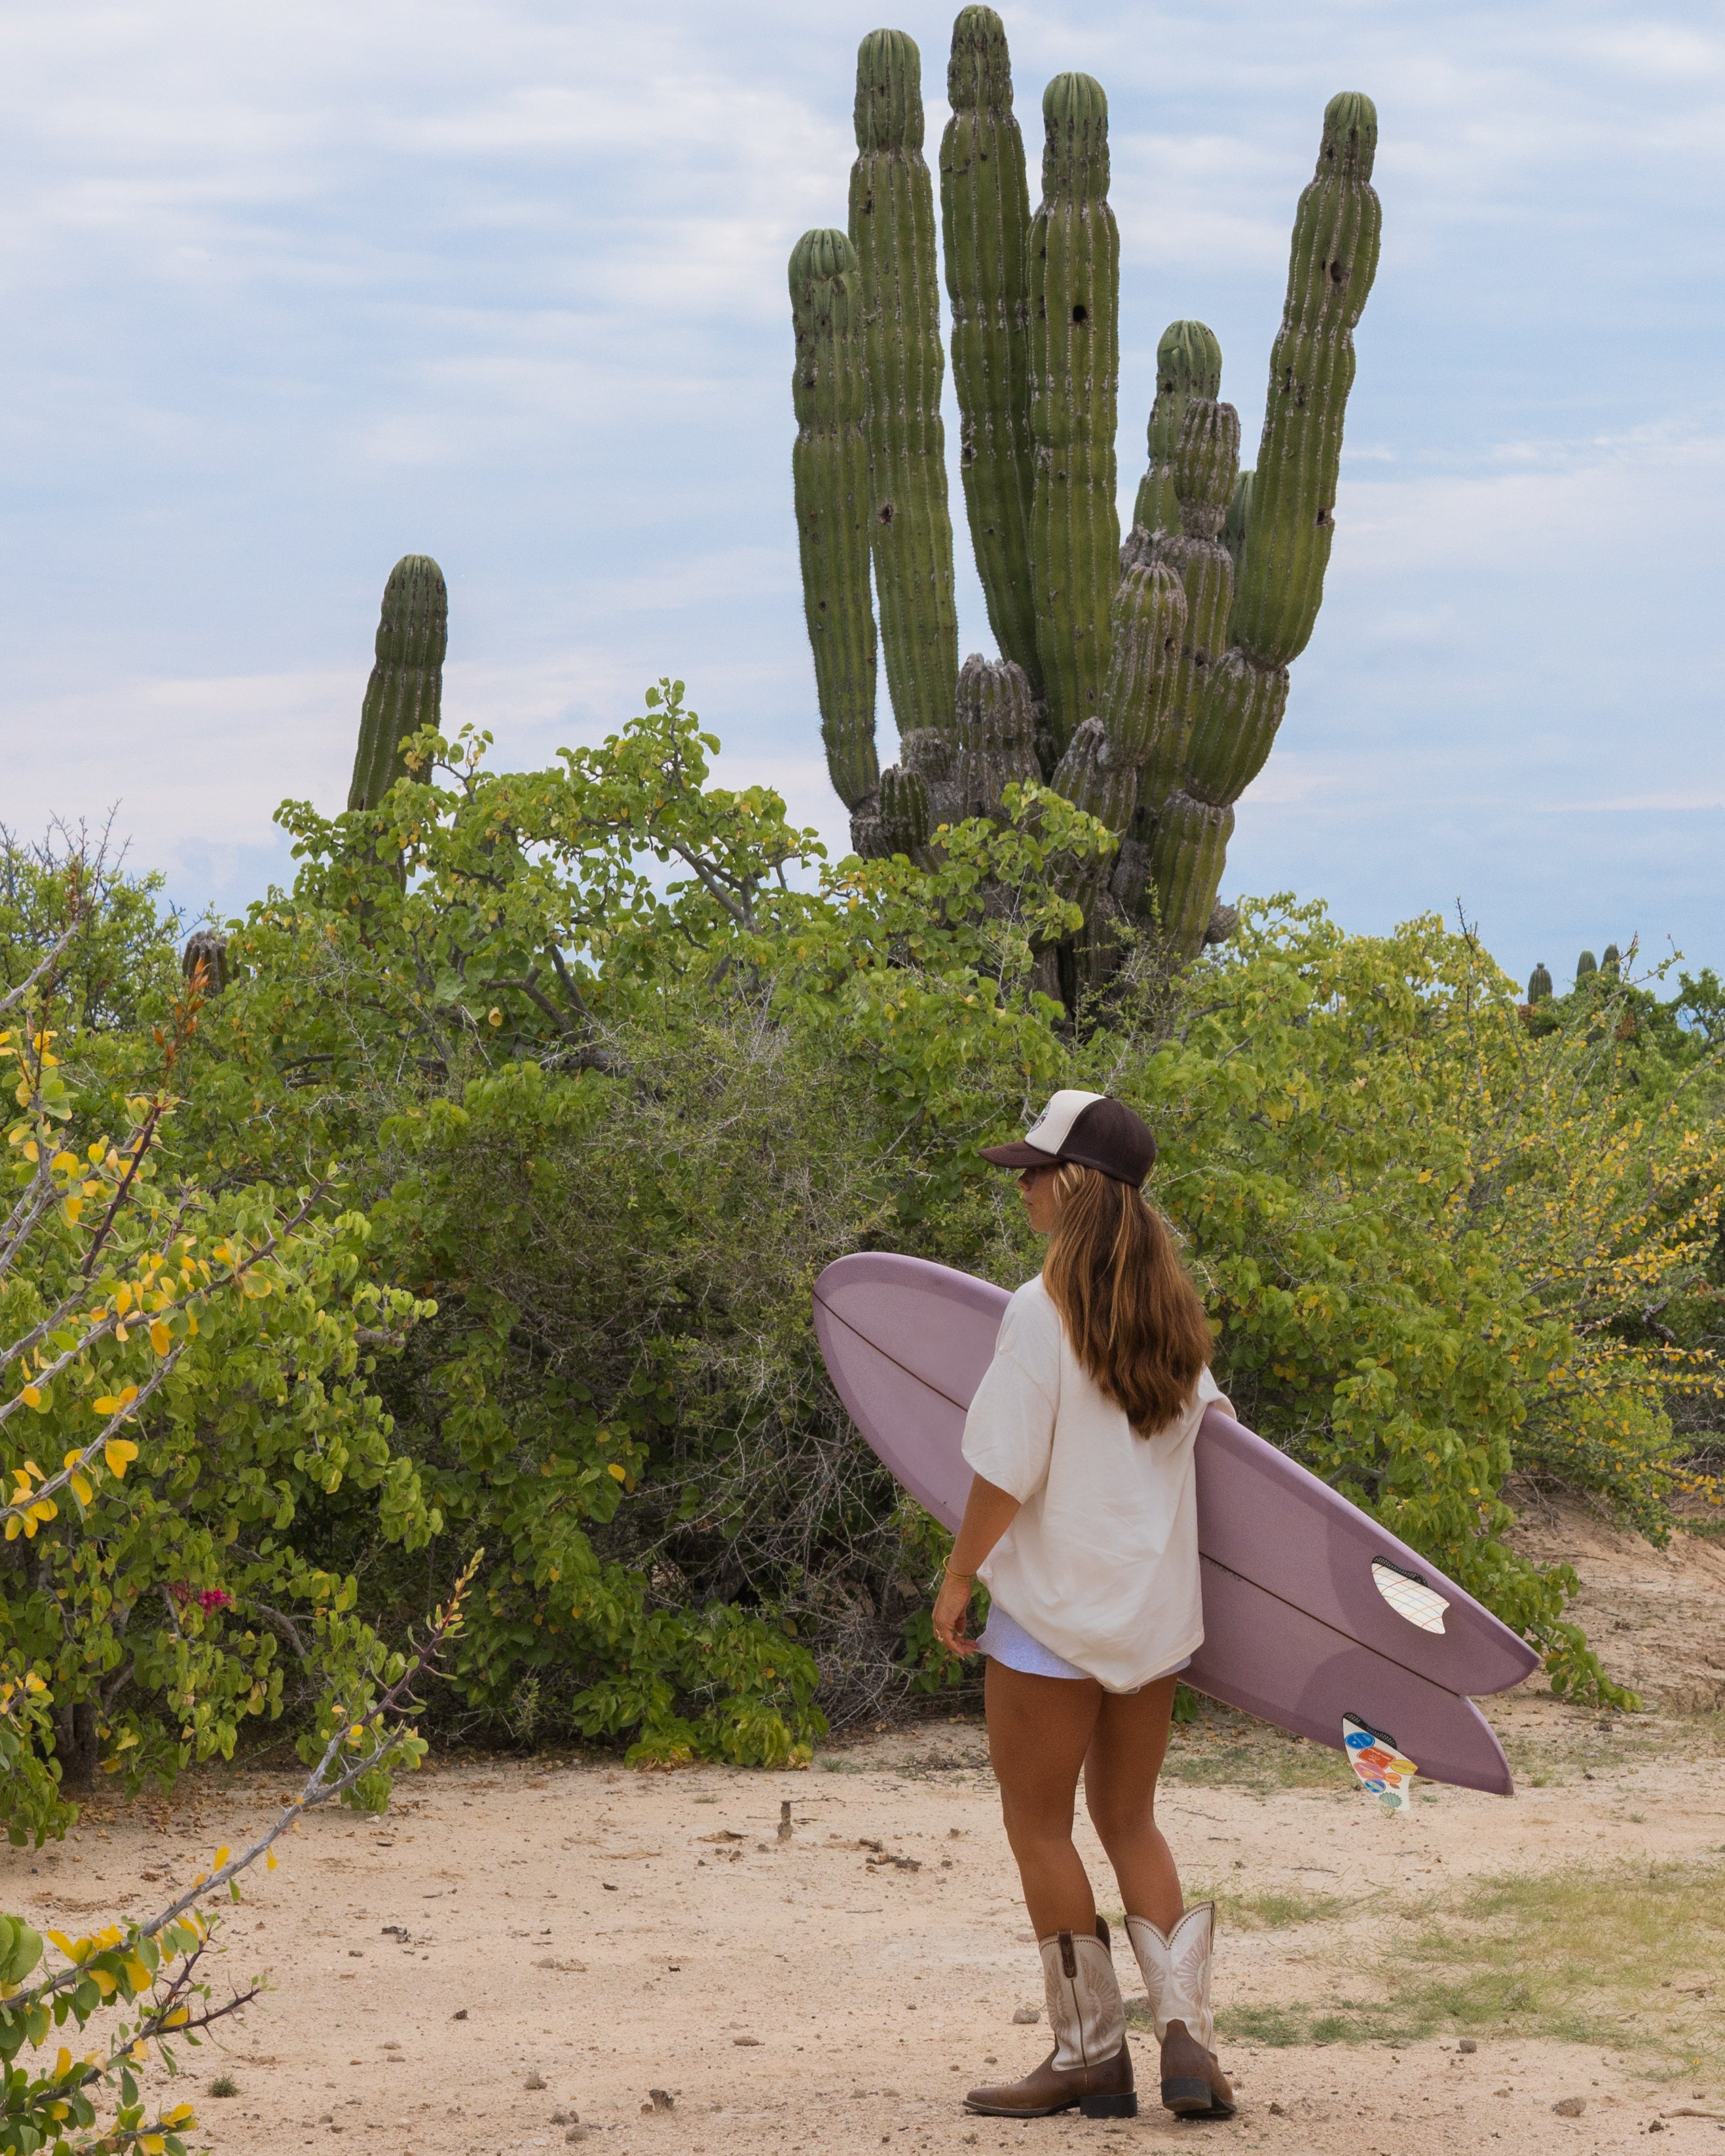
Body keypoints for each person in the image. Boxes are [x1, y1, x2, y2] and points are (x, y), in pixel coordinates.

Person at [930, 1088, 1236, 2123]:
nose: (1020, 1185)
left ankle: (1091, 2057)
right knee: (1130, 1818)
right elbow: (1222, 1453)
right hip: (1150, 1619)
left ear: (1074, 1183)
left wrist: (959, 1574)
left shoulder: (1038, 1308)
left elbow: (1002, 1470)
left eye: (1032, 1170)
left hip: (1053, 1615)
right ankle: (1187, 2042)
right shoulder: (1175, 1318)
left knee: (1038, 1824)